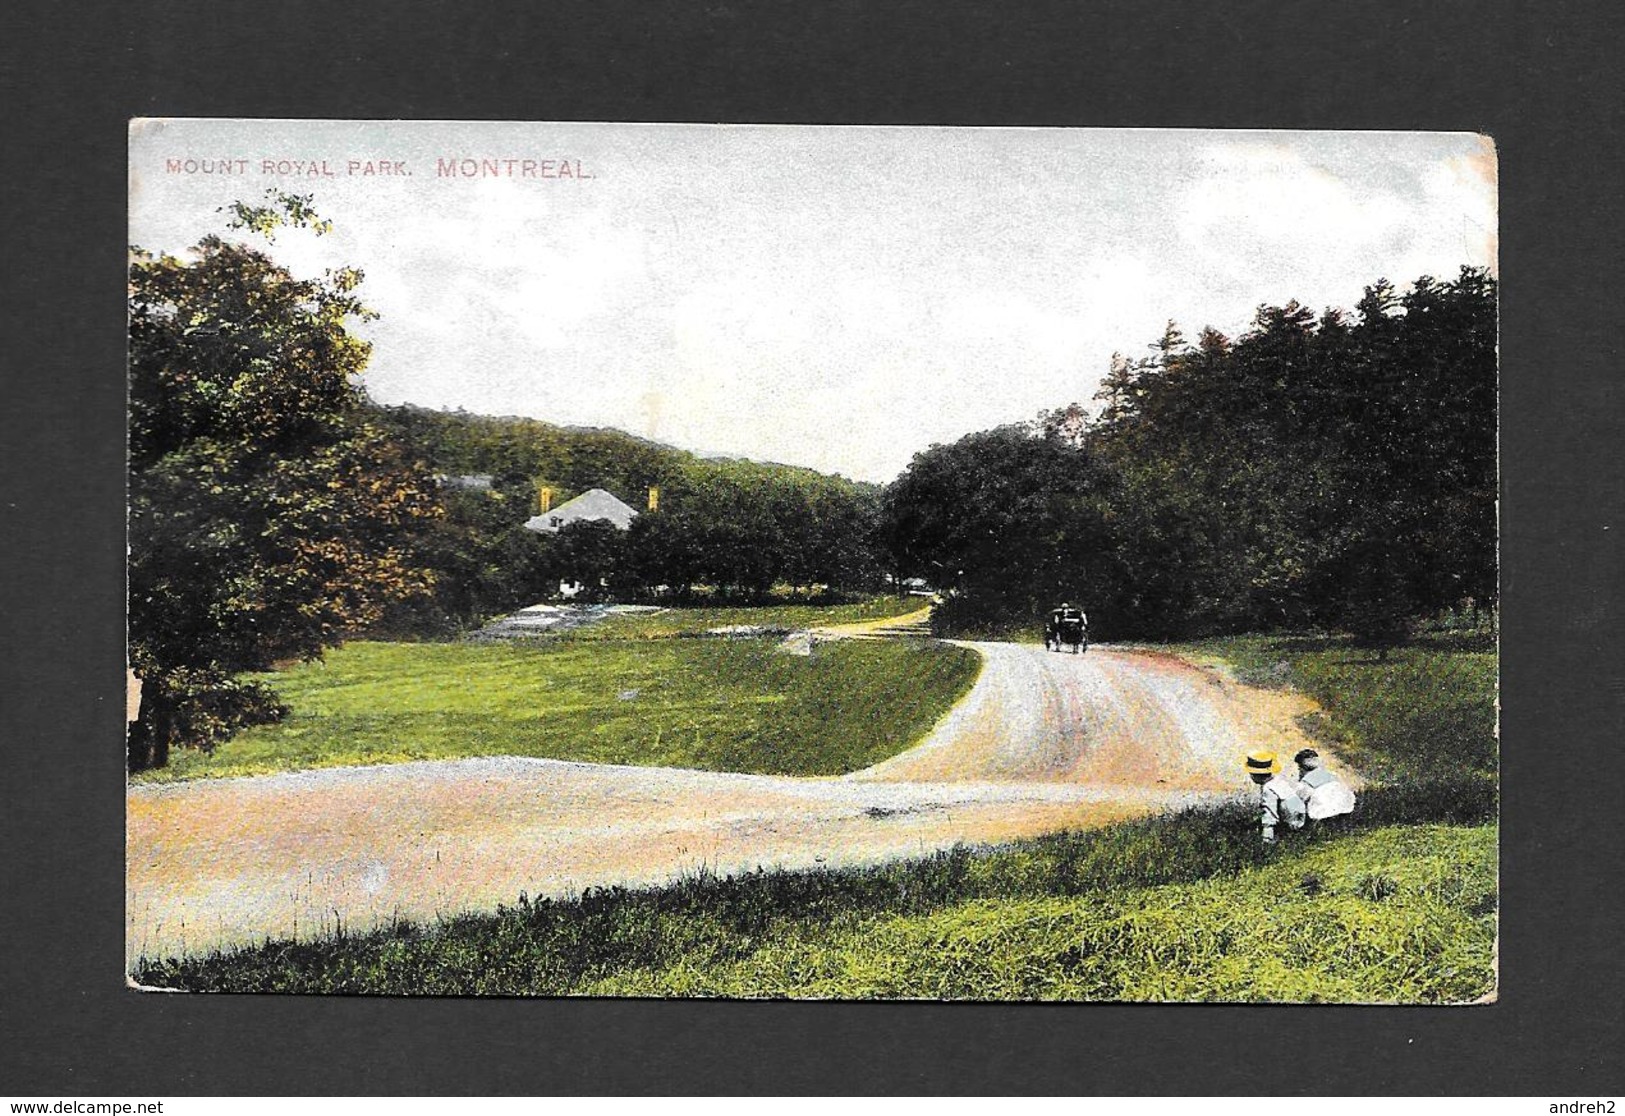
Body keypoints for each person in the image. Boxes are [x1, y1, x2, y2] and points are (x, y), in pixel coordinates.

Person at [1244, 750, 1305, 845]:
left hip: (1291, 823)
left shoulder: (1268, 789)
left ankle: (1272, 839)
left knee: (1268, 820)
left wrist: (1267, 837)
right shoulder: (1278, 781)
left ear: (1255, 775)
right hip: (1300, 816)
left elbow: (1270, 812)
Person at [1294, 748, 1356, 827]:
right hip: (1346, 810)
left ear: (1301, 768)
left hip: (1323, 816)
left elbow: (1299, 802)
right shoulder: (1331, 775)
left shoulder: (1305, 783)